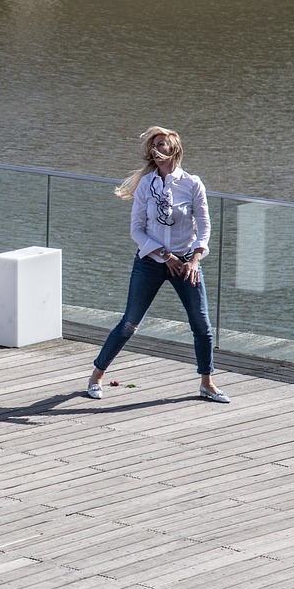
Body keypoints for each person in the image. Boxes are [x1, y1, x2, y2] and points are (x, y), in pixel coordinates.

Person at [86, 126, 230, 404]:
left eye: (163, 144)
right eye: (155, 144)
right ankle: (96, 375)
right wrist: (166, 256)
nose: (157, 148)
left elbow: (204, 228)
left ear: (174, 149)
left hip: (186, 264)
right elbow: (136, 230)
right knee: (129, 323)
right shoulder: (146, 184)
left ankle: (207, 383)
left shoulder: (192, 184)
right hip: (151, 262)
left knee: (202, 326)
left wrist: (194, 259)